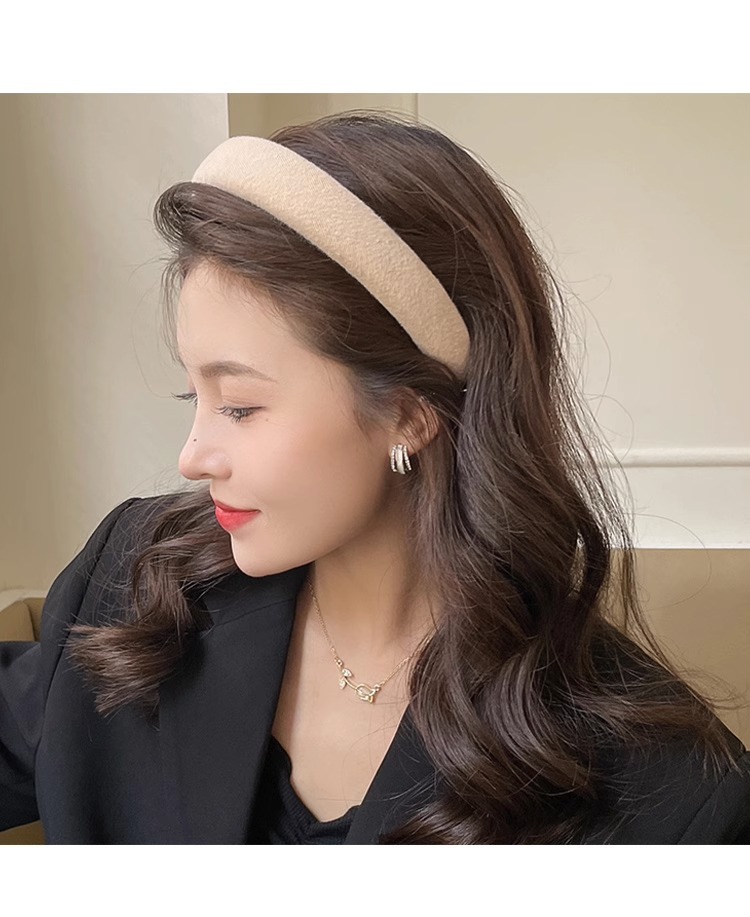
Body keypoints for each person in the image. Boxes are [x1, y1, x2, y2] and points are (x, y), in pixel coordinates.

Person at [1, 111, 749, 844]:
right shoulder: (135, 583)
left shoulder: (667, 794)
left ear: (408, 413)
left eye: (240, 405)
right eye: (191, 395)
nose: (192, 456)